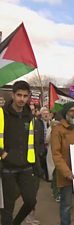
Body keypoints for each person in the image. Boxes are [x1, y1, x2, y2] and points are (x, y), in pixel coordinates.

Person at [0, 81, 40, 225]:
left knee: (31, 201)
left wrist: (37, 165)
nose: (22, 99)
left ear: (29, 96)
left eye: (25, 96)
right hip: (7, 167)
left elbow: (33, 142)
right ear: (13, 95)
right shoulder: (2, 114)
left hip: (25, 166)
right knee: (7, 209)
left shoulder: (29, 116)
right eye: (19, 95)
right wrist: (4, 154)